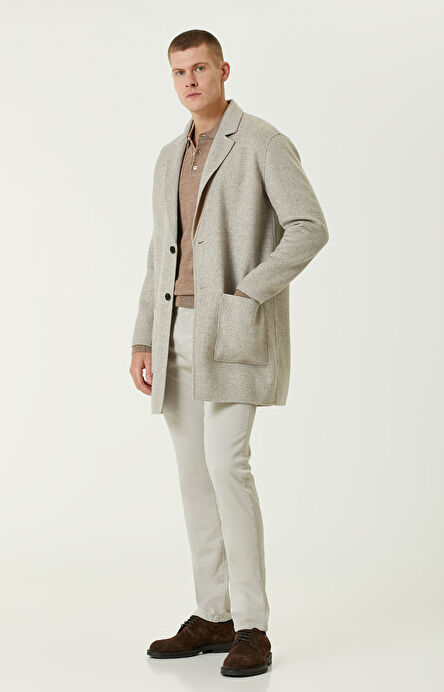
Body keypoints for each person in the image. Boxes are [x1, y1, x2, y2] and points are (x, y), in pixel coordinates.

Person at [130, 29, 329, 678]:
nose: (189, 81)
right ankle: (211, 614)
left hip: (233, 330)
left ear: (223, 70)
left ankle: (252, 626)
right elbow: (159, 252)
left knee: (226, 467)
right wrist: (142, 336)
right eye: (178, 72)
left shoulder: (263, 142)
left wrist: (249, 293)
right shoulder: (169, 156)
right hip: (174, 331)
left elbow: (309, 227)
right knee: (194, 478)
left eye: (199, 68)